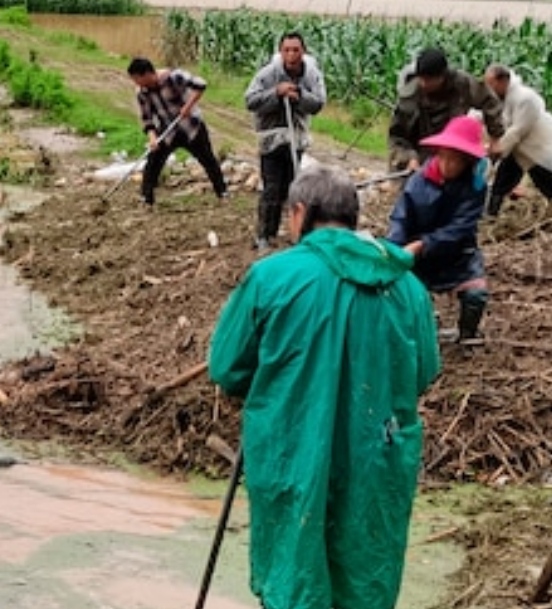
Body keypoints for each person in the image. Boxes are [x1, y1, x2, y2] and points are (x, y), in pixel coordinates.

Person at [209, 164, 440, 609]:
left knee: (295, 573)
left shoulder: (271, 277)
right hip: (377, 454)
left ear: (300, 213)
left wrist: (280, 386)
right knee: (365, 573)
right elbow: (424, 372)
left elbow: (227, 367)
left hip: (292, 450)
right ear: (351, 216)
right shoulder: (407, 286)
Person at [387, 115, 490, 346]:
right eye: (444, 157)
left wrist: (424, 244)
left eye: (456, 160)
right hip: (418, 257)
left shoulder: (475, 188)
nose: (448, 165)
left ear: (467, 161)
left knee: (476, 294)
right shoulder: (417, 181)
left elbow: (460, 229)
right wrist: (395, 248)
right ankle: (421, 324)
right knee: (406, 291)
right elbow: (401, 218)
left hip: (458, 254)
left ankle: (467, 335)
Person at [245, 32, 326, 251]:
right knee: (271, 188)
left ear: (303, 51)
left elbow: (319, 103)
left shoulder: (311, 75)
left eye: (296, 50)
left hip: (296, 138)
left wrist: (299, 96)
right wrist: (276, 93)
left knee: (290, 188)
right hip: (271, 137)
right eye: (287, 50)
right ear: (281, 52)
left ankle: (295, 232)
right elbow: (250, 100)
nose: (291, 55)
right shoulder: (268, 74)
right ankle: (263, 235)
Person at [126, 57, 228, 206]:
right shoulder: (142, 93)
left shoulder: (174, 77)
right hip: (168, 131)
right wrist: (152, 138)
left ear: (147, 74)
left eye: (137, 79)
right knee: (153, 163)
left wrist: (188, 105)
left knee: (208, 160)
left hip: (191, 127)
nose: (136, 83)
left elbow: (201, 84)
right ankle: (146, 198)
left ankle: (222, 192)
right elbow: (147, 118)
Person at [389, 47, 504, 172]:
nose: (423, 84)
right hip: (418, 154)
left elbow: (489, 102)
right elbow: (397, 137)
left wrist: (496, 136)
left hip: (453, 151)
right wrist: (408, 158)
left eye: (429, 80)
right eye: (421, 79)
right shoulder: (410, 96)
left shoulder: (463, 85)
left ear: (442, 76)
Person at [483, 64, 552, 217]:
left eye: (491, 84)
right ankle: (491, 214)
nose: (489, 89)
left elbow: (518, 130)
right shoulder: (503, 100)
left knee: (546, 182)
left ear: (502, 81)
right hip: (519, 152)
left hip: (537, 150)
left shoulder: (525, 98)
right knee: (501, 183)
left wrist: (499, 148)